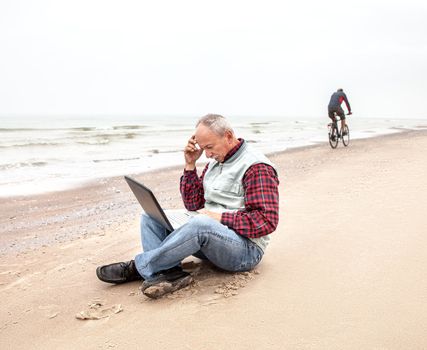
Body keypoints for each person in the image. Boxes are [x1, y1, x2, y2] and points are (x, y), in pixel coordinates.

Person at [96, 114, 280, 299]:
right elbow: (194, 204)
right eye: (203, 148)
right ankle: (169, 273)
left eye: (209, 147)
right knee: (150, 216)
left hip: (245, 251)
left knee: (200, 225)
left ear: (229, 136)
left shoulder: (256, 167)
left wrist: (219, 218)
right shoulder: (216, 162)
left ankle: (140, 266)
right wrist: (190, 164)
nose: (207, 154)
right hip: (211, 240)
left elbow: (266, 221)